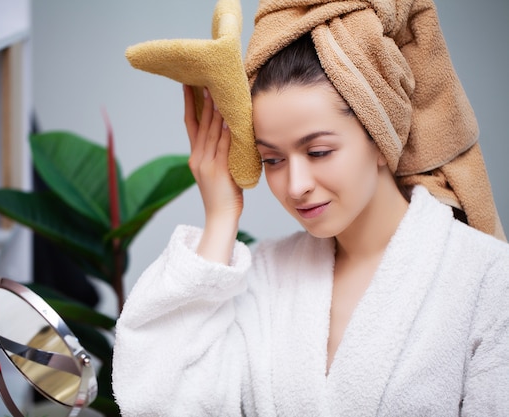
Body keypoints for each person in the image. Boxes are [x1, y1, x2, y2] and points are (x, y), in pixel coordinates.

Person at [112, 0, 509, 415]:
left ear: (380, 135)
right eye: (273, 160)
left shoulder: (488, 280)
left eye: (318, 151)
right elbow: (162, 400)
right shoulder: (267, 277)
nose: (296, 186)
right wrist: (221, 217)